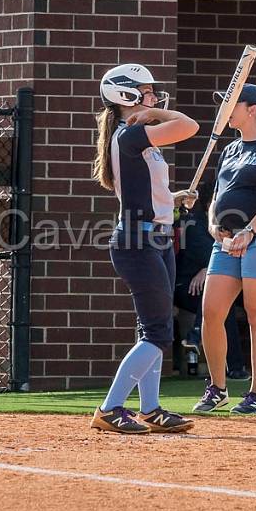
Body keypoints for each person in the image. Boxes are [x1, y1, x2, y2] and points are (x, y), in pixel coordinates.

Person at [89, 63, 200, 434]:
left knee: (151, 328)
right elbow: (189, 126)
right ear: (126, 96)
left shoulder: (137, 137)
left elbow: (144, 191)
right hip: (138, 241)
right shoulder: (131, 134)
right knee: (157, 333)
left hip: (158, 237)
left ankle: (150, 409)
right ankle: (110, 407)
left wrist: (173, 198)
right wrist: (154, 113)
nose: (154, 97)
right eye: (147, 91)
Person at [193, 83, 256, 415]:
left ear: (252, 110)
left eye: (231, 104)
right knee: (211, 313)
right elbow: (217, 196)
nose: (225, 110)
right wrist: (212, 225)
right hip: (226, 240)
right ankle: (216, 388)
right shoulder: (230, 149)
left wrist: (250, 230)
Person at [174, 182, 248, 380]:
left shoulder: (233, 227)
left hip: (214, 285)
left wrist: (207, 270)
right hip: (187, 288)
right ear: (210, 206)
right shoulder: (195, 225)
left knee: (224, 298)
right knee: (225, 302)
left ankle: (197, 337)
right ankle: (235, 367)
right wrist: (209, 268)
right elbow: (218, 257)